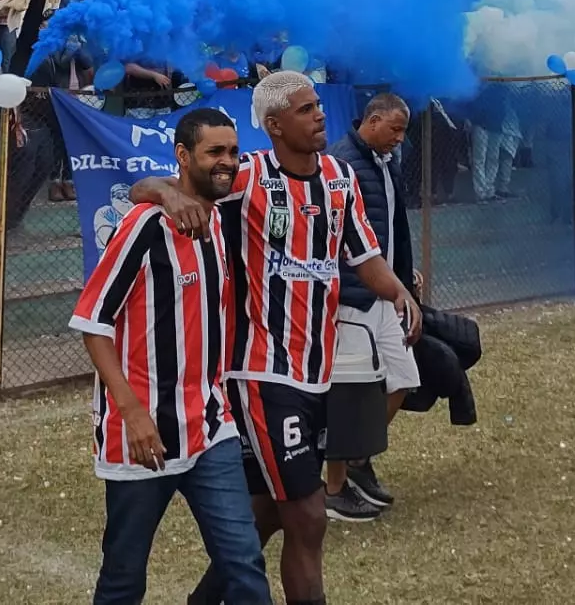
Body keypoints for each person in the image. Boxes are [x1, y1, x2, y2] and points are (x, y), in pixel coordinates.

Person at [133, 71, 421, 605]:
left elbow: (365, 256)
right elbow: (145, 187)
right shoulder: (246, 176)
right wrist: (169, 199)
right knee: (309, 516)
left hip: (318, 370)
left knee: (268, 510)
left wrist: (398, 291)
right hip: (262, 374)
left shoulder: (338, 176)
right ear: (273, 126)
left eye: (318, 106)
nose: (320, 116)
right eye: (307, 109)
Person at [72, 107, 272, 605]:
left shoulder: (220, 217)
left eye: (233, 152)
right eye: (214, 152)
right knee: (124, 576)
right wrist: (133, 413)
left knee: (243, 561)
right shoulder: (143, 226)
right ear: (183, 156)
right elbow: (93, 323)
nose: (227, 162)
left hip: (209, 426)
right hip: (143, 436)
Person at [322, 93, 421, 521]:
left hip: (384, 294)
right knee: (347, 399)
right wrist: (350, 288)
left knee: (403, 379)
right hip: (353, 299)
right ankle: (334, 487)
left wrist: (402, 274)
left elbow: (391, 227)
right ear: (373, 120)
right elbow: (338, 238)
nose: (399, 139)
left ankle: (358, 459)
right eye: (395, 130)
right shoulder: (341, 164)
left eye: (403, 132)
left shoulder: (386, 162)